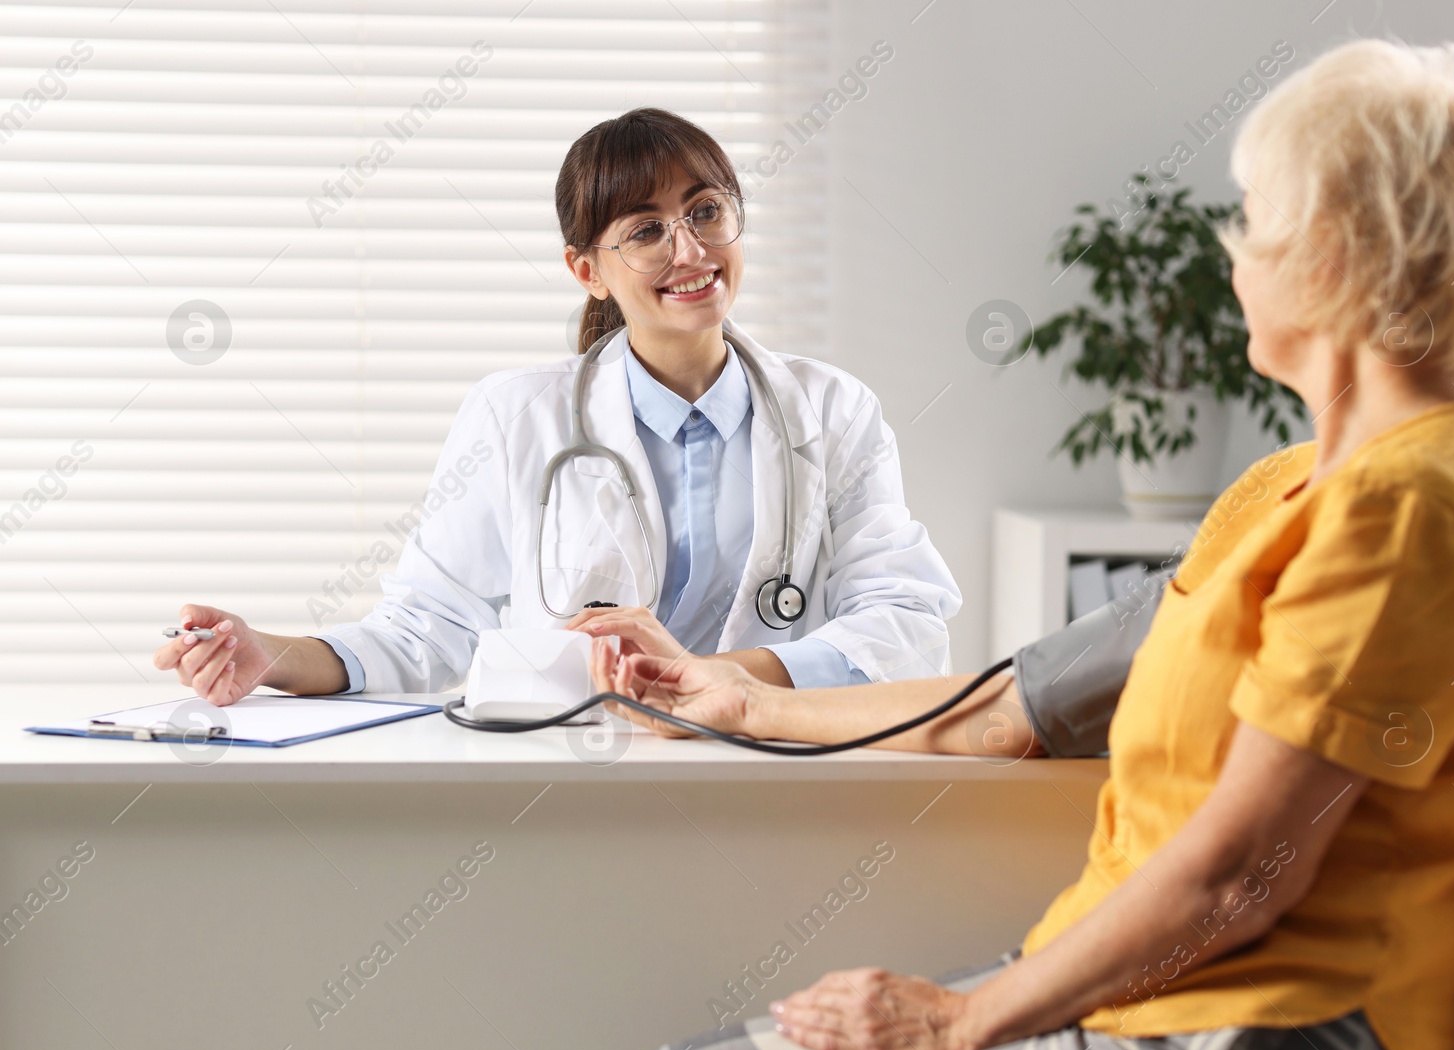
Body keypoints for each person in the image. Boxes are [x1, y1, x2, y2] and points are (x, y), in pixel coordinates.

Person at [605, 42, 1454, 1050]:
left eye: (1253, 220)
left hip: (1255, 1028)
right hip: (1151, 997)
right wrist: (742, 701)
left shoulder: (1412, 510)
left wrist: (959, 1023)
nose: (1231, 255)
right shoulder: (1290, 486)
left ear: (1331, 258)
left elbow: (1239, 875)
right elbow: (1015, 709)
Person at [152, 107, 960, 706]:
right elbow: (428, 629)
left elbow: (906, 620)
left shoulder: (833, 410)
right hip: (578, 774)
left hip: (776, 764)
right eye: (646, 230)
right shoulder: (515, 416)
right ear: (589, 270)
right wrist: (270, 653)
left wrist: (720, 676)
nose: (690, 251)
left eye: (707, 211)